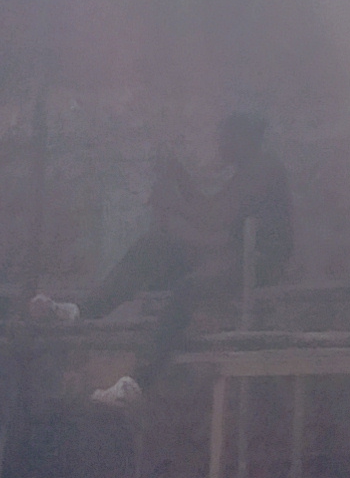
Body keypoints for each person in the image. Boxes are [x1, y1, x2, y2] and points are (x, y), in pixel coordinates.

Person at [31, 111, 292, 406]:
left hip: (256, 263)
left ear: (243, 137)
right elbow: (214, 209)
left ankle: (138, 382)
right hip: (227, 256)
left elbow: (217, 216)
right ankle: (80, 311)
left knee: (186, 290)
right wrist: (180, 177)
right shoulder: (247, 171)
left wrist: (174, 201)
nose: (221, 144)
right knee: (153, 247)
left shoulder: (264, 168)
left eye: (225, 136)